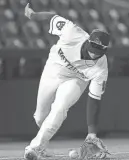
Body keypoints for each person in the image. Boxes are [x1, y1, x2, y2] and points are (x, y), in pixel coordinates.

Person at [24, 3, 110, 160]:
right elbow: (52, 17)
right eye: (93, 49)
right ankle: (43, 147)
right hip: (54, 69)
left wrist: (92, 133)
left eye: (99, 52)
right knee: (40, 117)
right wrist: (33, 15)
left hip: (76, 80)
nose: (94, 54)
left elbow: (94, 100)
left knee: (60, 108)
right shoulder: (72, 32)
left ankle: (35, 148)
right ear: (88, 41)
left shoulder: (101, 65)